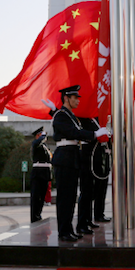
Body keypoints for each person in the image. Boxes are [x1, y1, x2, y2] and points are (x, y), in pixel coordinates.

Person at [50, 85, 109, 242]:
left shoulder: (69, 116)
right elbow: (73, 133)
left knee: (70, 198)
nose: (77, 100)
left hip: (71, 158)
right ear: (66, 98)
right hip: (64, 158)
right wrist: (95, 134)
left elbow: (74, 131)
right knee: (64, 198)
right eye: (75, 98)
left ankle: (68, 229)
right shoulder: (61, 115)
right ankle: (63, 232)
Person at [29, 126, 52, 223]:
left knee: (42, 196)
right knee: (36, 197)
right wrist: (42, 137)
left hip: (45, 173)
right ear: (37, 136)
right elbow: (36, 142)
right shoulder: (36, 144)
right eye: (41, 135)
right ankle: (34, 217)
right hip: (38, 173)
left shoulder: (45, 147)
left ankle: (38, 214)